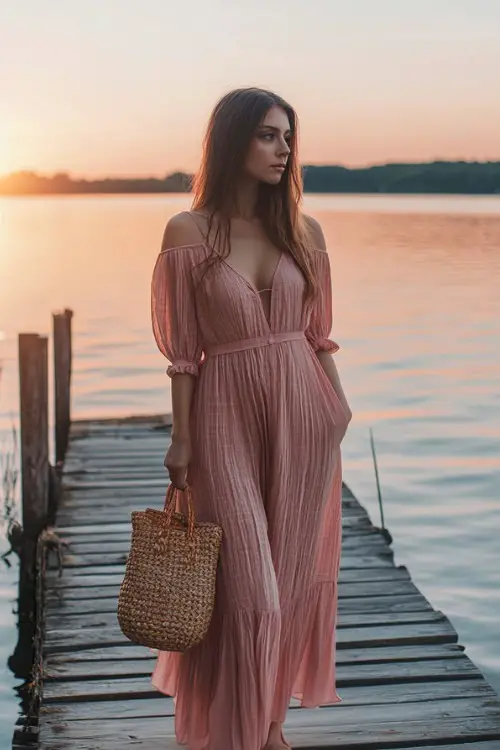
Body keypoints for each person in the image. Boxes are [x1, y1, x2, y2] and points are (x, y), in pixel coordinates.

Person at [150, 87, 352, 750]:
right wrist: (181, 437)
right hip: (223, 418)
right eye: (268, 135)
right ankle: (236, 733)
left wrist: (337, 409)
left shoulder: (304, 232)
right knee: (250, 593)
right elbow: (184, 353)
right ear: (233, 140)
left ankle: (268, 728)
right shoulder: (188, 232)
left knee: (290, 584)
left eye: (288, 137)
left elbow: (319, 337)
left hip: (307, 422)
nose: (283, 149)